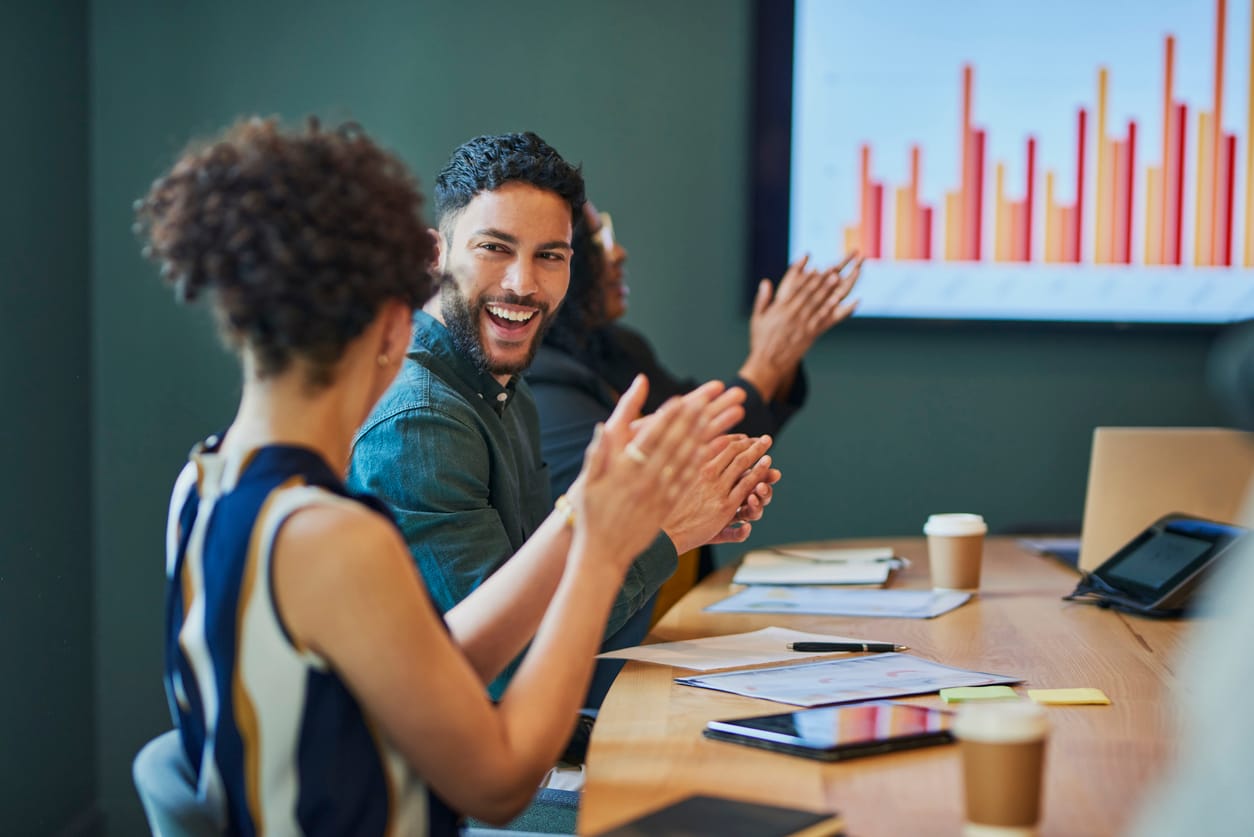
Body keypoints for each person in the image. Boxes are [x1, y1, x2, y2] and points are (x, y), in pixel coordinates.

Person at [137, 117, 729, 834]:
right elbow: (504, 780)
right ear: (392, 321)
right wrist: (599, 554)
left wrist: (586, 512)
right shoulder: (333, 536)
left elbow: (439, 664)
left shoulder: (201, 483)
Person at [346, 132, 777, 708]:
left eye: (550, 256)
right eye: (494, 248)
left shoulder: (505, 390)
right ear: (436, 254)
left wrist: (666, 507)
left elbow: (548, 613)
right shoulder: (420, 423)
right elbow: (507, 667)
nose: (522, 283)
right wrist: (664, 533)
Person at [528, 202, 860, 561]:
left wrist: (781, 349)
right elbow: (640, 497)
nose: (619, 253)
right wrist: (766, 362)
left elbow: (708, 433)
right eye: (598, 241)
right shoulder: (544, 378)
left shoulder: (620, 345)